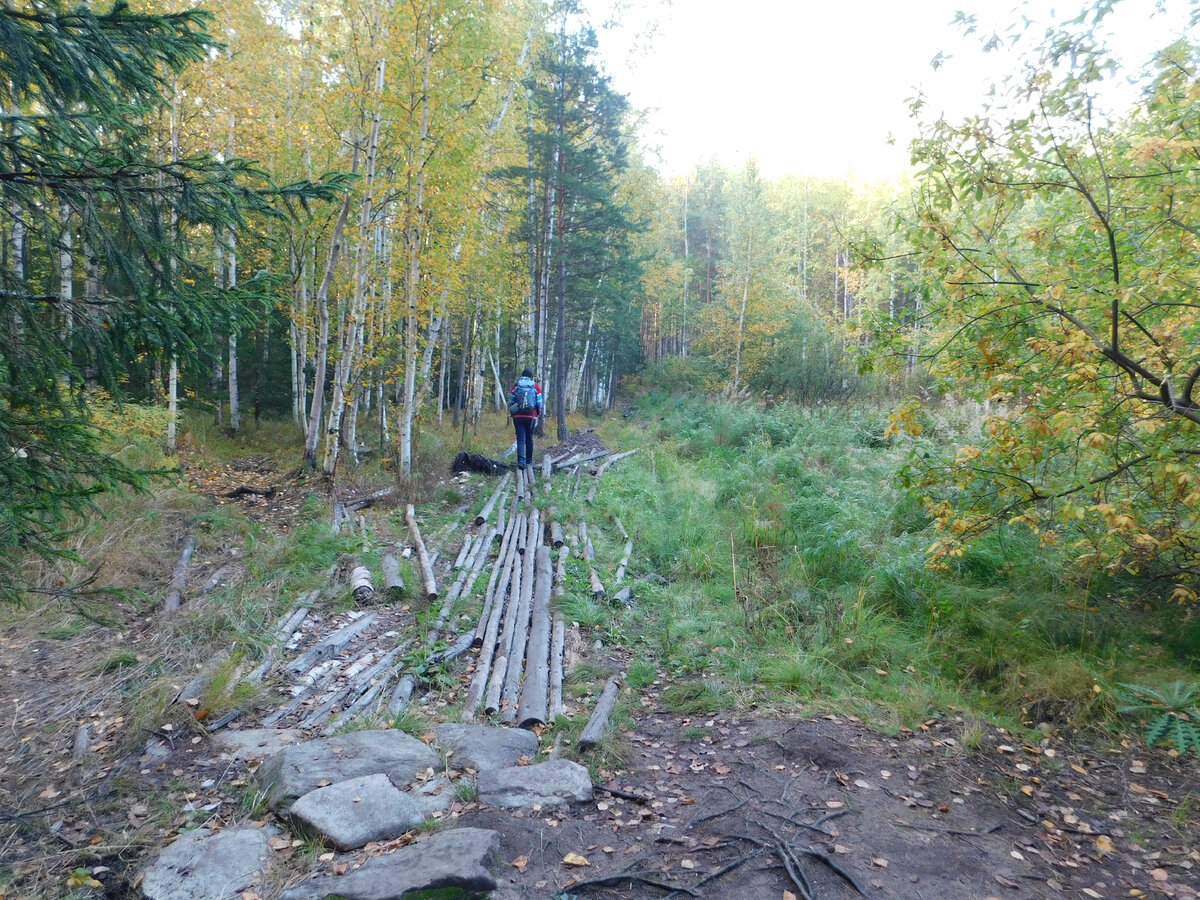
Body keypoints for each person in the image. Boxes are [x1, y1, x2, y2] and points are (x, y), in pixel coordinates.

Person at [508, 368, 543, 469]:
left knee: (520, 439)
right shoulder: (535, 386)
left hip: (518, 417)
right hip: (531, 417)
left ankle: (521, 462)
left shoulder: (516, 386)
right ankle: (529, 461)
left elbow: (511, 401)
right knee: (529, 439)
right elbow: (539, 403)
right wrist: (538, 413)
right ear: (531, 376)